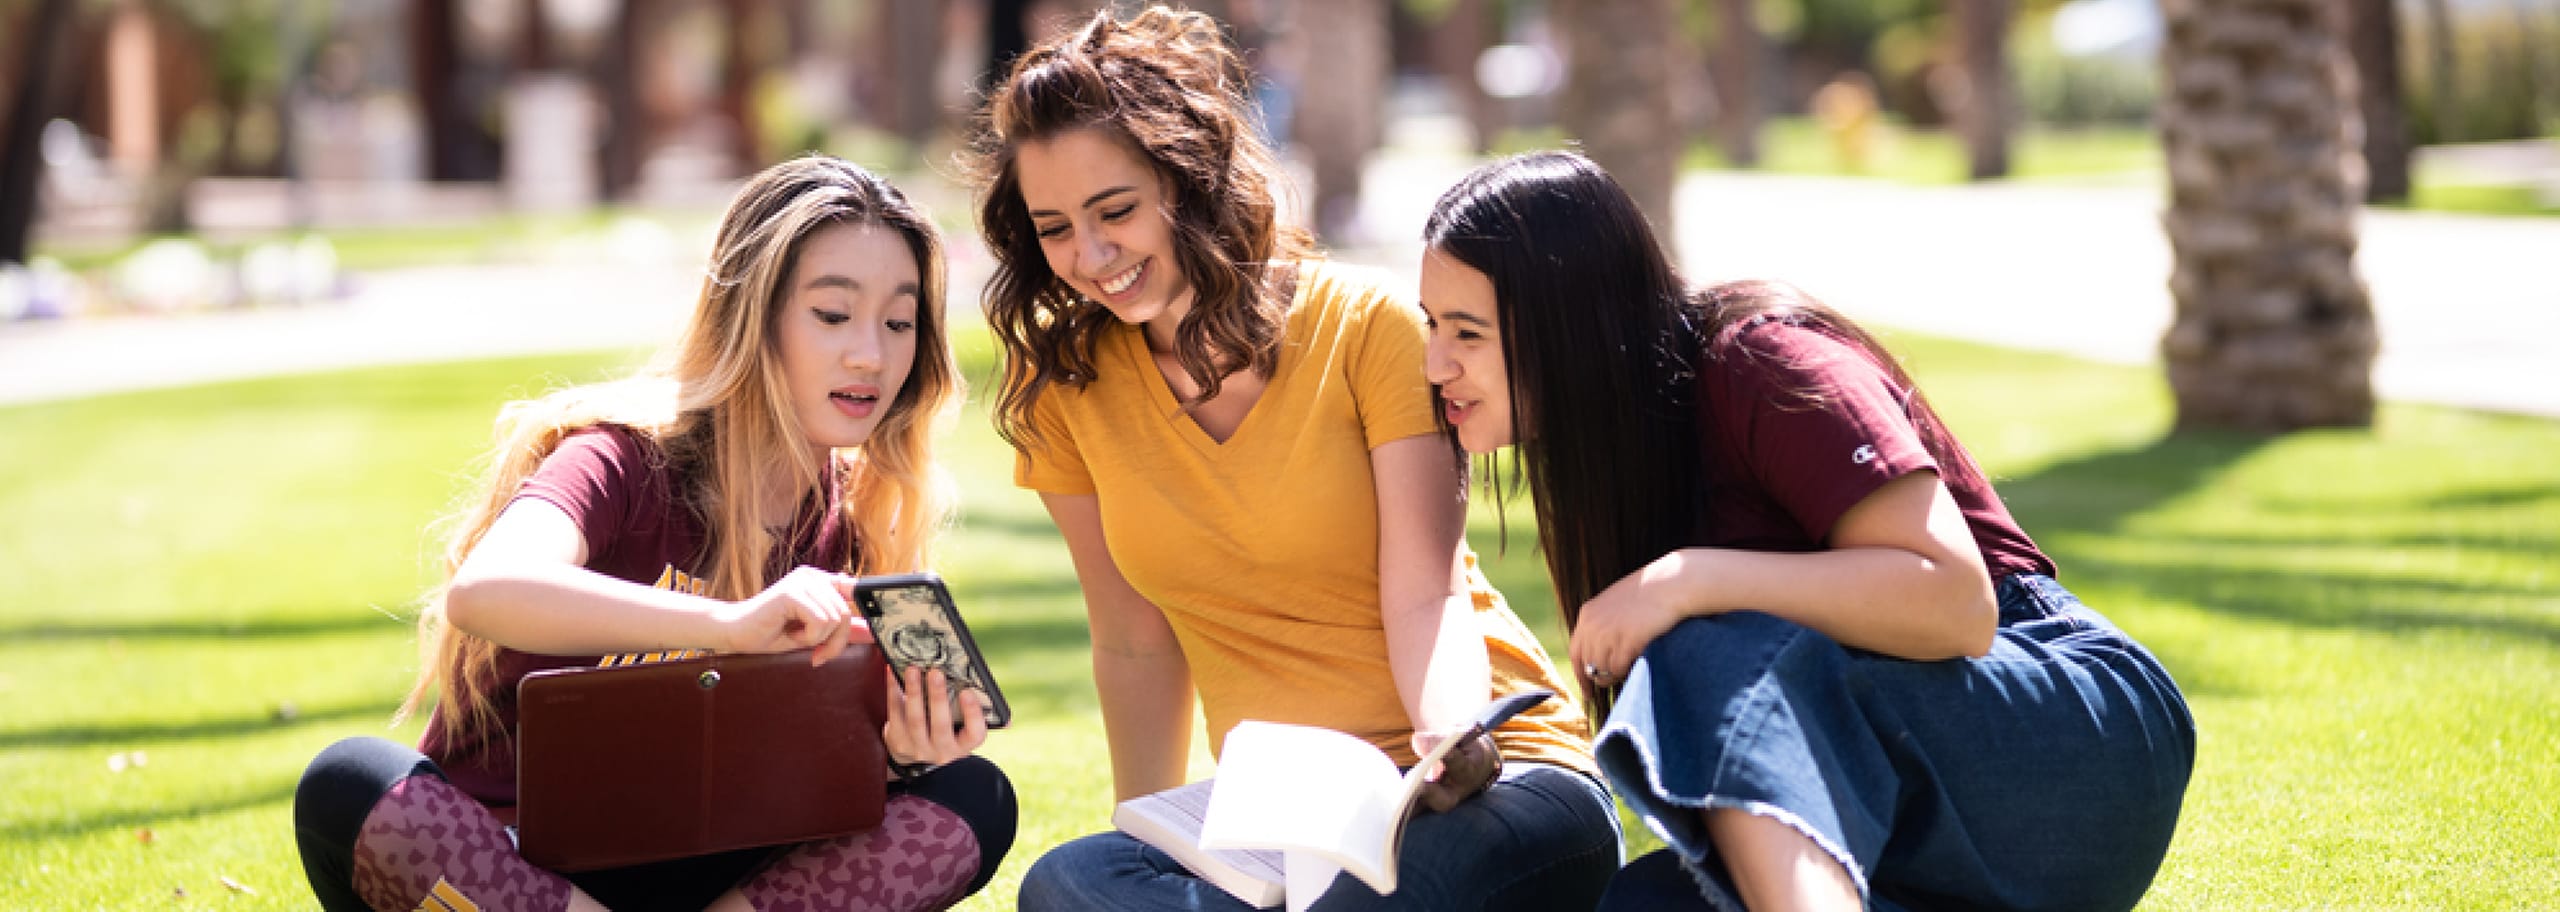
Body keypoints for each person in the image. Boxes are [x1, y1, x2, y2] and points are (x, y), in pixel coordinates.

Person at [1414, 150, 2196, 911]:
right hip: (1916, 814)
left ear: (1568, 323)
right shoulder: (1606, 457)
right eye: (1430, 326)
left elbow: (1959, 601)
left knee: (1703, 641)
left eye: (1466, 333)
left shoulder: (1765, 360)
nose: (1434, 363)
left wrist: (1692, 578)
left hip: (2073, 745)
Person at [968, 7, 1620, 910]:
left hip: (1487, 780)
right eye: (1055, 227)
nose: (1091, 255)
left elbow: (1424, 591)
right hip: (1281, 820)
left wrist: (1451, 736)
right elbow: (1133, 640)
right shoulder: (1066, 387)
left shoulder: (1369, 328)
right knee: (1074, 884)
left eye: (1115, 210)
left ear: (1189, 181)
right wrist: (1149, 827)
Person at [291, 155, 1017, 912]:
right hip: (515, 869)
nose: (871, 353)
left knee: (972, 797)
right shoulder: (618, 459)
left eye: (899, 322)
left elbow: (793, 784)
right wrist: (729, 626)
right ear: (750, 317)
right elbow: (485, 589)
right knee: (352, 783)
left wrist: (897, 757)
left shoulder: (858, 521)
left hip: (709, 874)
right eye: (833, 315)